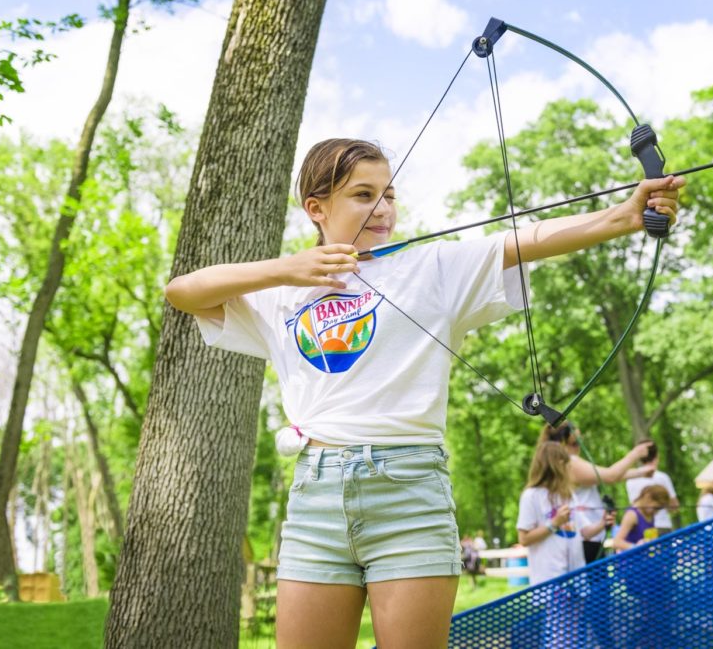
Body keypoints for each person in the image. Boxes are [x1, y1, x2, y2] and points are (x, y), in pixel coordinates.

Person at [164, 137, 685, 649]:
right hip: (315, 498)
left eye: (389, 194)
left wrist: (626, 215)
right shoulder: (278, 293)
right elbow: (182, 292)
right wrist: (285, 269)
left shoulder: (431, 268)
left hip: (408, 492)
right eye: (364, 194)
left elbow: (533, 236)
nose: (383, 207)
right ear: (316, 207)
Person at [539, 425, 653, 563]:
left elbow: (607, 475)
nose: (579, 448)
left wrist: (641, 472)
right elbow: (609, 476)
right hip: (585, 538)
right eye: (575, 443)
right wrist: (636, 454)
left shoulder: (567, 463)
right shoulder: (570, 462)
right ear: (563, 443)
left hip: (592, 535)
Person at [517, 442, 612, 584]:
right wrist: (554, 523)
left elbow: (584, 532)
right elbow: (524, 539)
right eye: (567, 465)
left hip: (577, 580)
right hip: (550, 581)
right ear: (557, 466)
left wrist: (603, 523)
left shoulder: (569, 495)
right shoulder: (531, 496)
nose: (570, 470)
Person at [625, 443, 680, 533]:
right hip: (662, 526)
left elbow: (633, 505)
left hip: (640, 526)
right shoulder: (662, 477)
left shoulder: (630, 479)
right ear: (657, 456)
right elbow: (674, 506)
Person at [612, 484, 671, 552]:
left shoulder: (649, 514)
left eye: (659, 509)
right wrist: (635, 547)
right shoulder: (632, 515)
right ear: (648, 497)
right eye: (656, 508)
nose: (656, 512)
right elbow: (617, 542)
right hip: (630, 560)